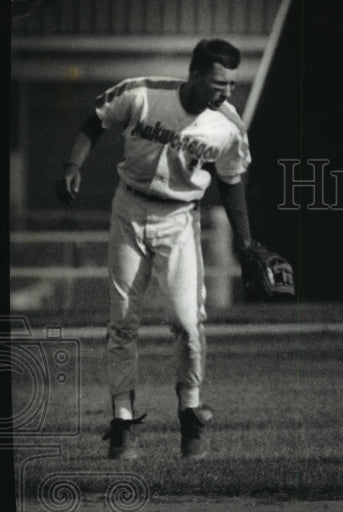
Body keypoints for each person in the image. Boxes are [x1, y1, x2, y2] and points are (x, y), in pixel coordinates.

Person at [58, 39, 256, 460]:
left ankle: (190, 414)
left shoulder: (227, 124)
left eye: (232, 85)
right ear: (196, 74)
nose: (226, 92)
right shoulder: (144, 93)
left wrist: (245, 242)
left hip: (181, 217)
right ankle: (123, 423)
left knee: (187, 322)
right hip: (129, 208)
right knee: (123, 321)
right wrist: (73, 165)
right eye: (219, 83)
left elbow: (232, 181)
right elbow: (95, 120)